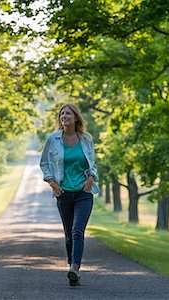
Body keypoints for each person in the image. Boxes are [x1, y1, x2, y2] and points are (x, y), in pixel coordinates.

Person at [40, 103, 99, 286]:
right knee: (68, 234)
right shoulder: (53, 139)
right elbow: (44, 164)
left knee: (77, 230)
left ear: (75, 117)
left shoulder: (86, 139)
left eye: (68, 113)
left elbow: (93, 164)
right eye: (62, 114)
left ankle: (74, 268)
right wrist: (52, 183)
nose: (64, 116)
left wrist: (91, 177)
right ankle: (72, 270)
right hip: (63, 193)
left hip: (83, 193)